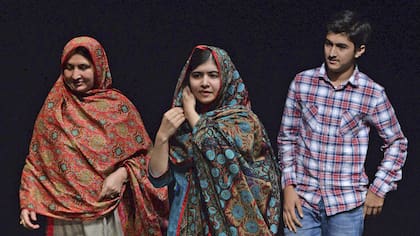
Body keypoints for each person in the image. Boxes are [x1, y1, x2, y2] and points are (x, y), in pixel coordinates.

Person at [19, 36, 168, 236]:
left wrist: (122, 174)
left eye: (83, 67)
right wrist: (28, 201)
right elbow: (37, 161)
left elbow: (148, 160)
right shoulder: (54, 109)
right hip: (64, 217)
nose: (75, 75)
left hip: (107, 213)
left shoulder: (119, 109)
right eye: (69, 67)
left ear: (98, 67)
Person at [277, 10, 408, 235]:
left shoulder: (372, 93)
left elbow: (397, 142)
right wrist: (288, 187)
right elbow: (287, 138)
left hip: (346, 206)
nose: (332, 53)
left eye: (341, 46)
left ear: (359, 50)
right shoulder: (302, 83)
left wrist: (378, 189)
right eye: (329, 44)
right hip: (303, 201)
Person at [148, 45, 282, 235]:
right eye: (197, 75)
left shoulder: (243, 121)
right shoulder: (180, 124)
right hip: (185, 225)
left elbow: (216, 151)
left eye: (213, 75)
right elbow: (158, 179)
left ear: (226, 78)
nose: (204, 83)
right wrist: (162, 137)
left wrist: (191, 113)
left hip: (228, 227)